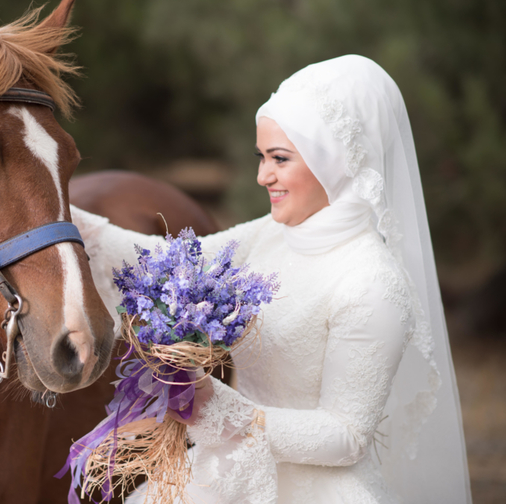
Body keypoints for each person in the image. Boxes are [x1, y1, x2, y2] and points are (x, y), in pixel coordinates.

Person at [71, 55, 471, 503]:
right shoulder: (273, 234)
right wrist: (65, 221)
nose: (263, 176)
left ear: (333, 160)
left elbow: (346, 436)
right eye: (261, 157)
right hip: (226, 471)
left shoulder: (373, 284)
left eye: (280, 158)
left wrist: (215, 406)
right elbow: (175, 264)